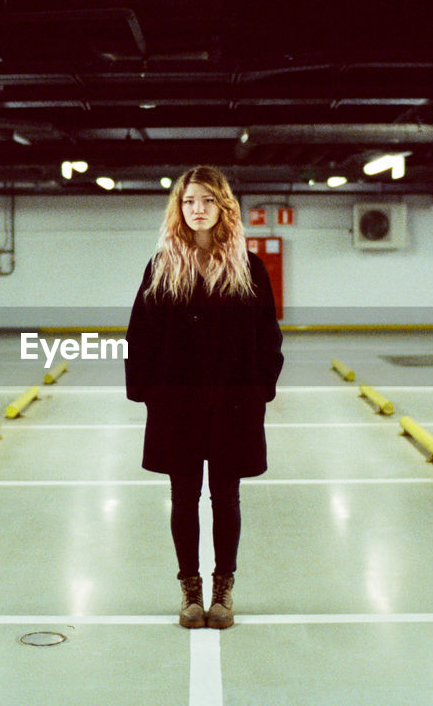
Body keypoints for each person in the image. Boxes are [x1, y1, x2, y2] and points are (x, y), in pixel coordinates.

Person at [124, 165, 283, 629]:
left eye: (207, 201)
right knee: (183, 497)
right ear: (180, 207)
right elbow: (141, 335)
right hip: (178, 405)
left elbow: (267, 336)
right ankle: (190, 590)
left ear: (223, 207)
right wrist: (149, 393)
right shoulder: (161, 266)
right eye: (190, 201)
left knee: (226, 498)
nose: (197, 210)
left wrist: (260, 390)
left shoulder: (248, 267)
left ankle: (223, 590)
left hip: (233, 403)